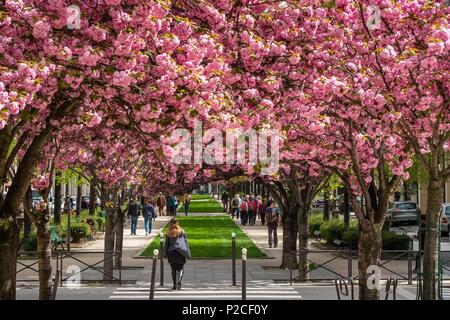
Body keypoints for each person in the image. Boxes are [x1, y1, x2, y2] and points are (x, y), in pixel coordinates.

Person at [163, 218, 190, 290]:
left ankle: (174, 285)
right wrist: (188, 252)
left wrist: (164, 253)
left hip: (171, 253)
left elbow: (166, 244)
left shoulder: (168, 232)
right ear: (177, 223)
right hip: (180, 252)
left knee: (173, 269)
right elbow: (186, 242)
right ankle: (179, 282)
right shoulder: (181, 231)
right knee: (181, 268)